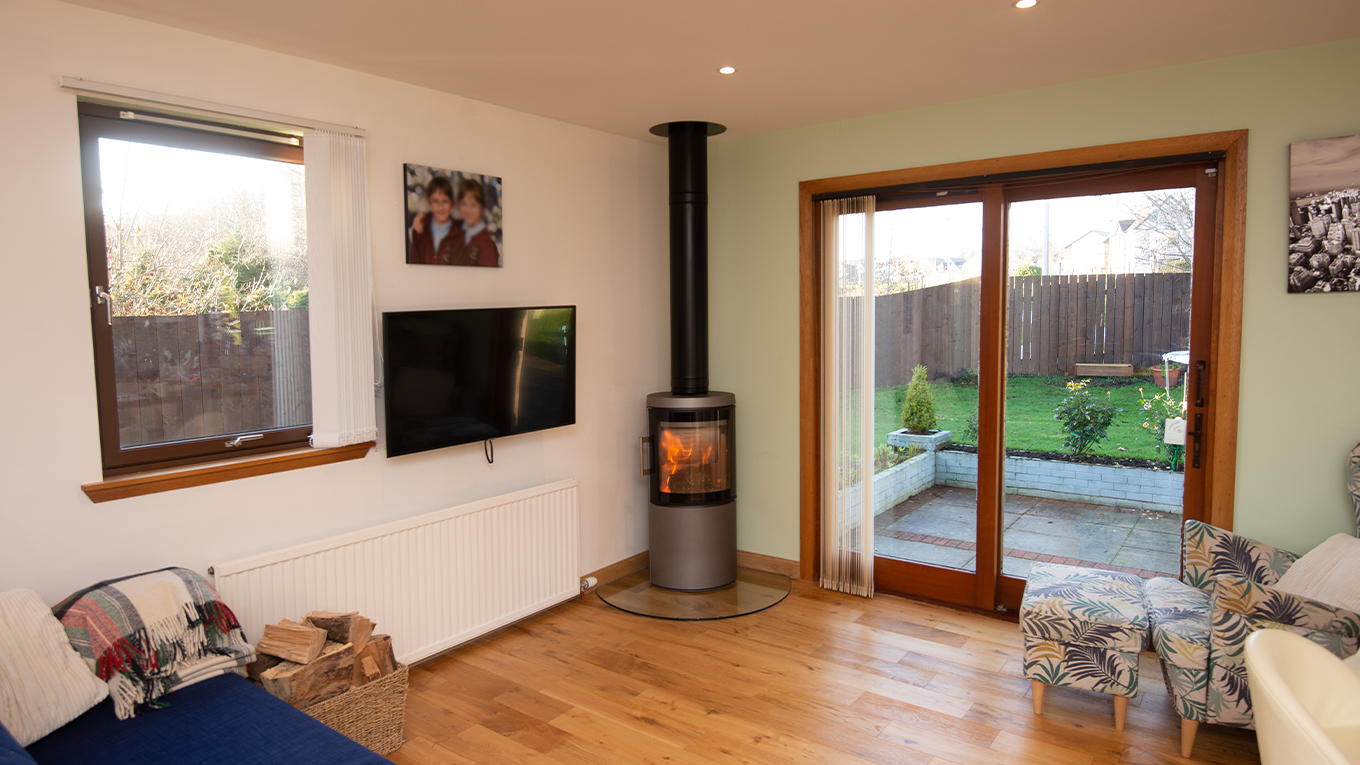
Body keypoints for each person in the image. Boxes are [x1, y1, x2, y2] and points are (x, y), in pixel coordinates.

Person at [445, 179, 501, 268]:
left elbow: (489, 279)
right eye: (464, 204)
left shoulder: (486, 245)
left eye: (473, 205)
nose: (468, 210)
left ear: (481, 207)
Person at [407, 176, 458, 265]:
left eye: (445, 201)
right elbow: (415, 262)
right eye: (435, 201)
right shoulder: (420, 229)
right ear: (429, 203)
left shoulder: (461, 232)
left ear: (452, 203)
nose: (440, 207)